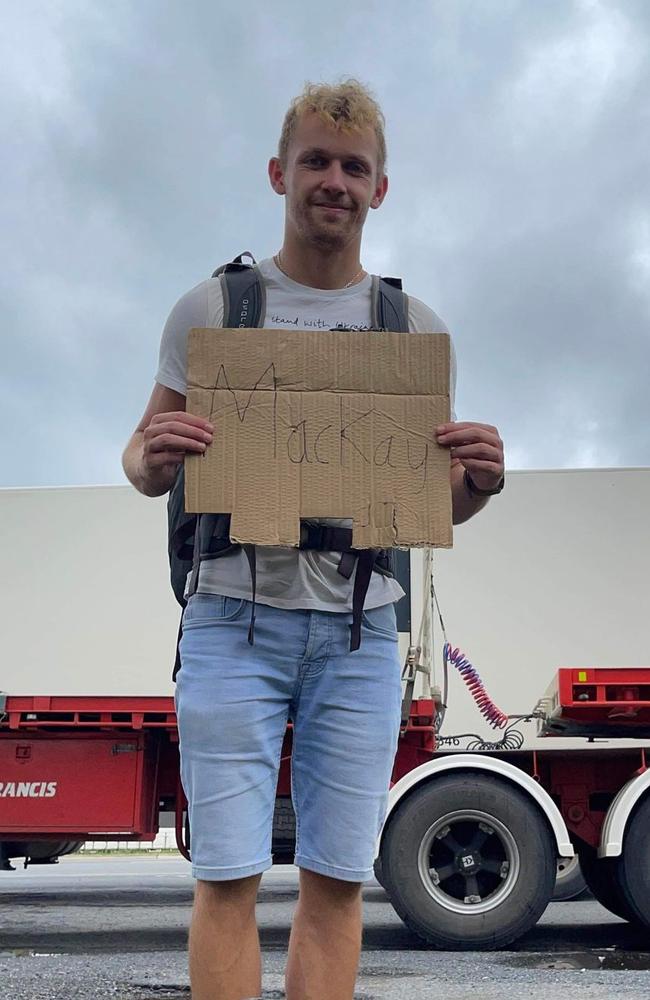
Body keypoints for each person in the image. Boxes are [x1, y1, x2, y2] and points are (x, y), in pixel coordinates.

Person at [122, 79, 504, 1000]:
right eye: (316, 161)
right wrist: (156, 455)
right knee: (226, 877)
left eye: (354, 166)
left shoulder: (413, 330)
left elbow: (428, 507)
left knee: (337, 880)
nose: (334, 180)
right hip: (230, 619)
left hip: (361, 633)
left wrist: (479, 485)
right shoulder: (211, 310)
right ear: (278, 173)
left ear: (381, 189)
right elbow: (141, 461)